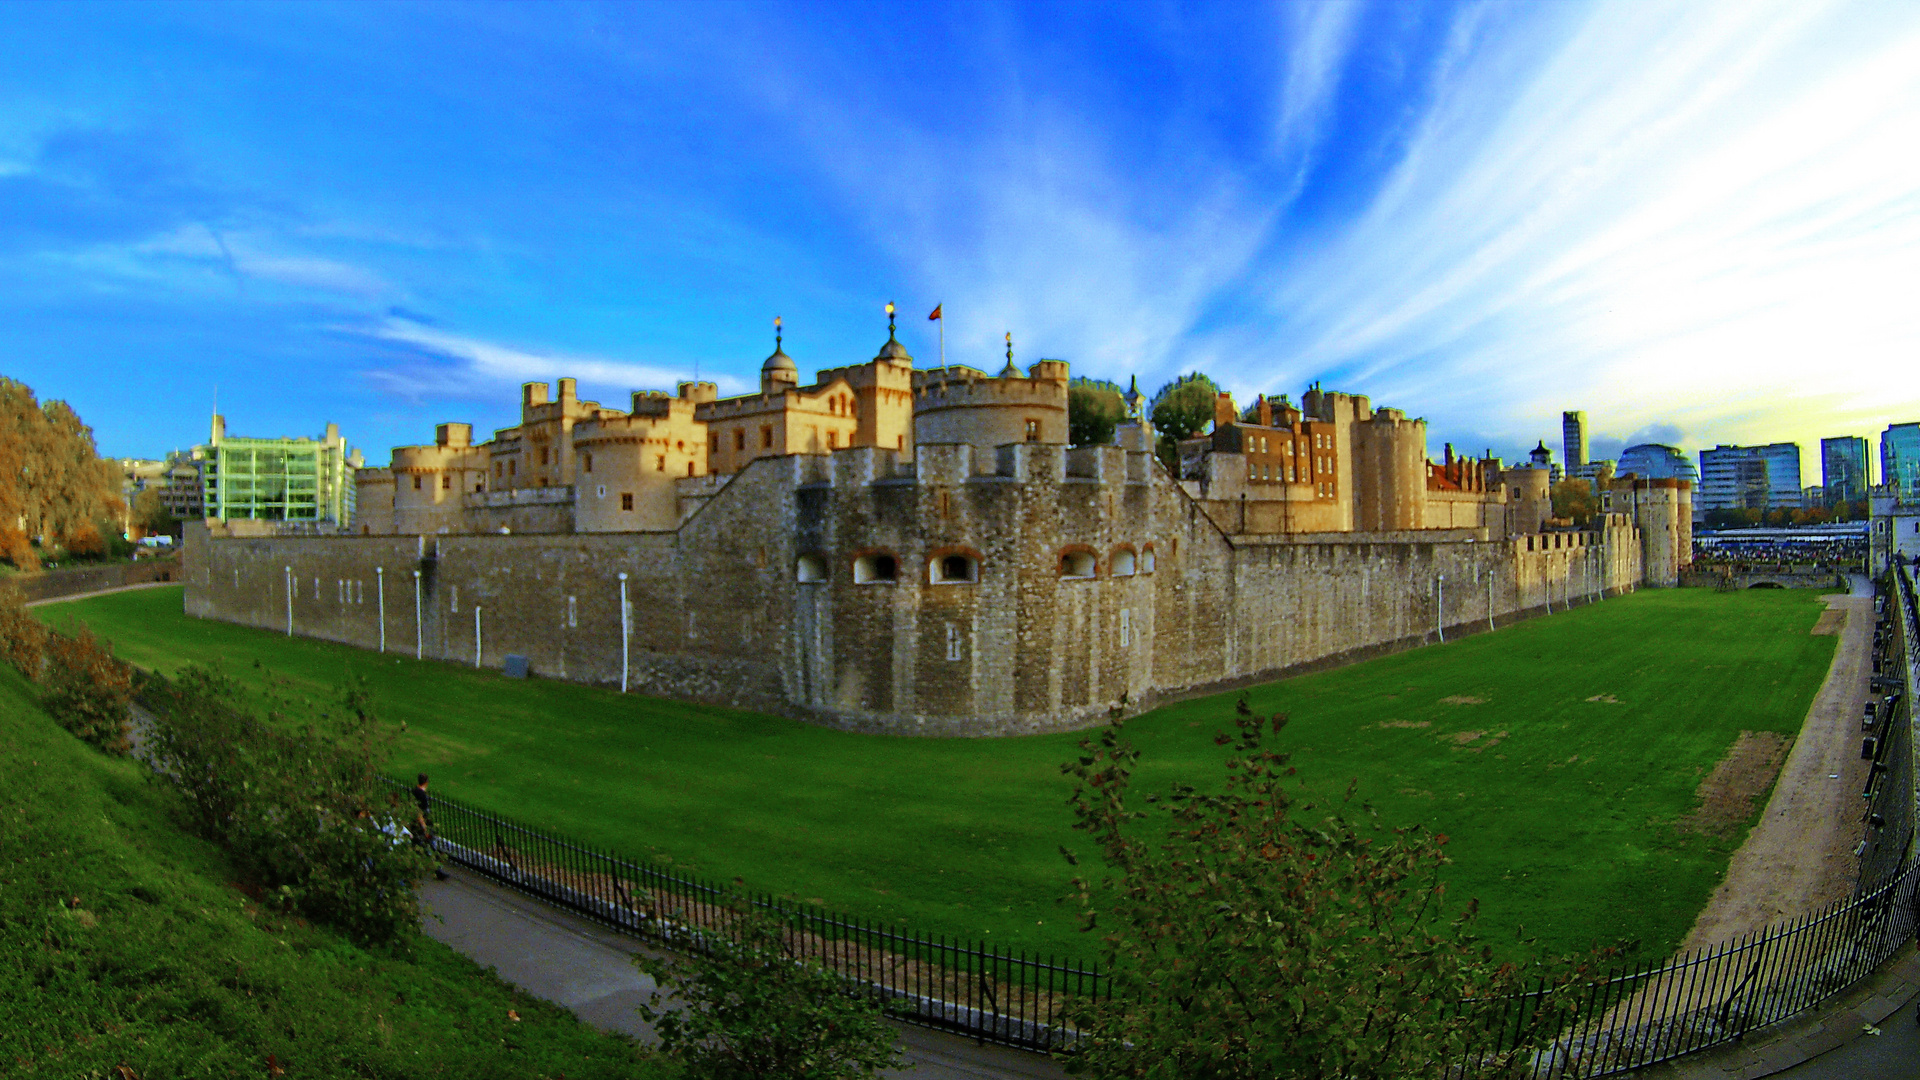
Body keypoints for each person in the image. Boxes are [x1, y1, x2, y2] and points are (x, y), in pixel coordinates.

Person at [412, 773, 451, 881]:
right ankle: (437, 870)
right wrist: (425, 827)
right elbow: (419, 812)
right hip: (423, 826)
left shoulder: (414, 791)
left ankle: (416, 868)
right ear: (426, 782)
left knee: (418, 847)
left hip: (416, 826)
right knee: (431, 848)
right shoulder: (422, 796)